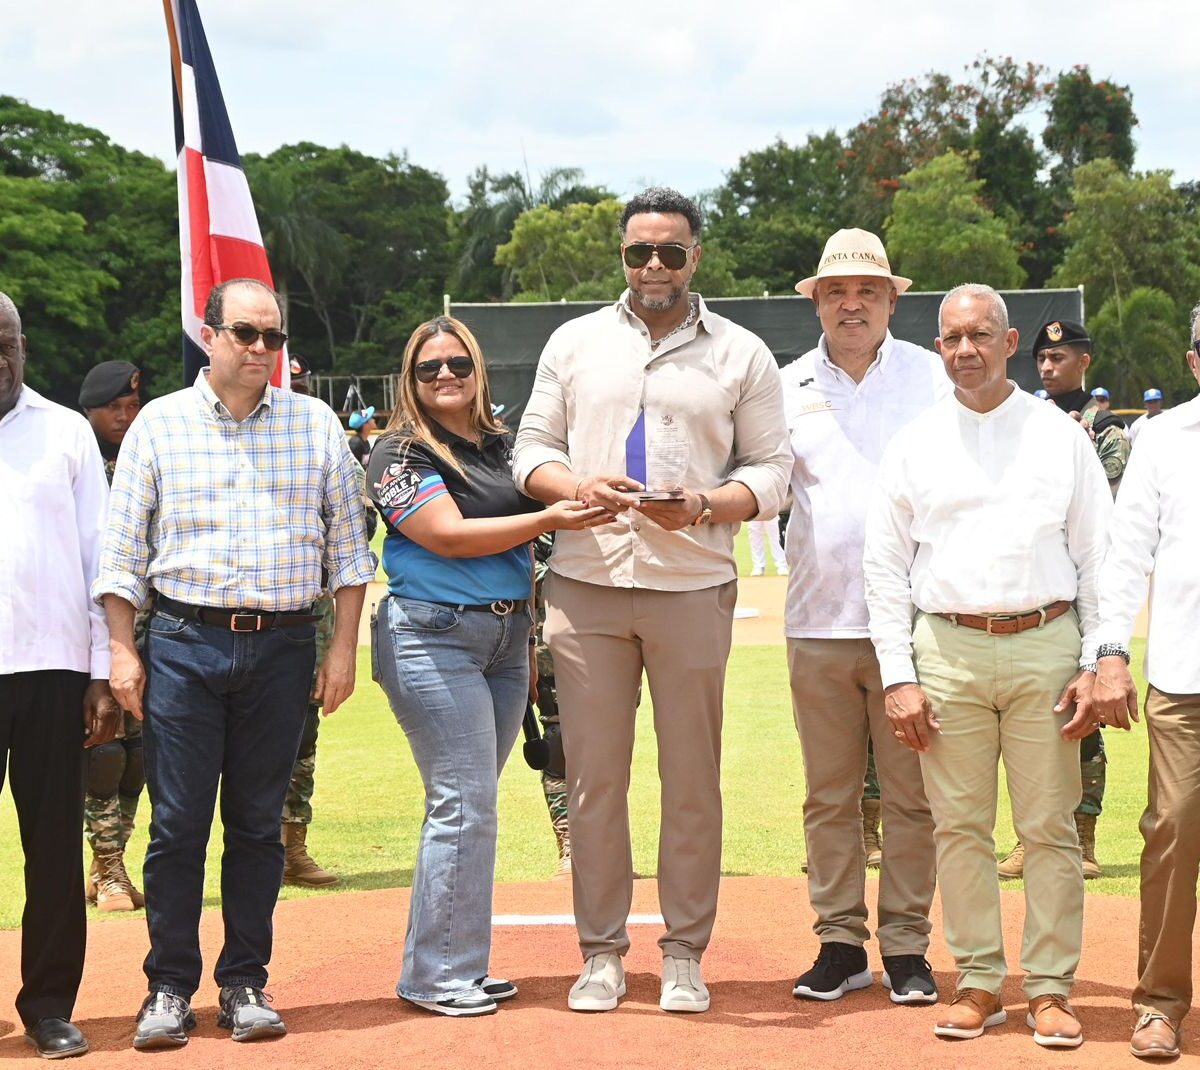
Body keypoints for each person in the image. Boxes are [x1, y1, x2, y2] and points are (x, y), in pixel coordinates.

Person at [514, 186, 791, 1015]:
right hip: (587, 583)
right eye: (641, 252)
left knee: (691, 779)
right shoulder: (575, 342)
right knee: (594, 780)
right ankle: (601, 954)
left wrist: (705, 502)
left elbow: (775, 471)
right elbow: (531, 449)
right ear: (623, 257)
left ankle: (683, 954)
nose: (656, 266)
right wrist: (576, 484)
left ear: (695, 256)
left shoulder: (742, 353)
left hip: (690, 582)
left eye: (671, 251)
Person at [94, 278, 375, 1049]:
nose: (260, 350)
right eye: (246, 334)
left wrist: (342, 649)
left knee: (256, 827)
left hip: (285, 646)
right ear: (210, 335)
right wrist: (123, 650)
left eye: (272, 338)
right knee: (177, 826)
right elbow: (120, 556)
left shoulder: (315, 426)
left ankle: (246, 981)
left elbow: (351, 556)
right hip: (182, 644)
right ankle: (168, 989)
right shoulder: (159, 426)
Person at [863, 284, 1111, 1047]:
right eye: (950, 338)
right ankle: (976, 981)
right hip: (948, 646)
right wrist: (899, 675)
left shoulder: (1058, 435)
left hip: (1046, 641)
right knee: (960, 828)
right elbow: (884, 570)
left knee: (1049, 829)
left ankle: (1048, 988)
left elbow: (1097, 556)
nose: (964, 350)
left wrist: (1100, 658)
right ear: (937, 348)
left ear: (1010, 345)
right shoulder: (913, 442)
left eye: (980, 336)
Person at [367, 315, 607, 1017]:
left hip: (505, 641)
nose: (445, 376)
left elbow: (550, 499)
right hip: (432, 636)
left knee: (470, 805)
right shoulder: (398, 451)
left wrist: (587, 493)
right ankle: (439, 975)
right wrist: (550, 518)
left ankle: (450, 965)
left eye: (458, 364)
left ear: (479, 371)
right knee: (463, 804)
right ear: (408, 380)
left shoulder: (505, 446)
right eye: (428, 367)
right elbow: (445, 534)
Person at [783, 228, 947, 1006]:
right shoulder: (782, 385)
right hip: (817, 621)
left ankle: (908, 946)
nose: (853, 304)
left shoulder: (934, 376)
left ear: (892, 299)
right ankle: (841, 943)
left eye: (869, 291)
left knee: (914, 796)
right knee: (830, 795)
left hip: (913, 624)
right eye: (837, 291)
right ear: (816, 299)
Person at [0, 291, 121, 1059]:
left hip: (51, 668)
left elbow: (98, 558)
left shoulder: (64, 431)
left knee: (52, 849)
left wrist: (103, 671)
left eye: (6, 339)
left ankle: (48, 1006)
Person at [1091, 311, 1200, 1060]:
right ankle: (1159, 1004)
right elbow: (1127, 553)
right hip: (1185, 676)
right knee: (1170, 833)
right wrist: (1110, 653)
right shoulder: (1164, 439)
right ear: (1196, 359)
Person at [995, 320, 1131, 882]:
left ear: (1084, 361)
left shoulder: (1107, 430)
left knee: (1084, 715)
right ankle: (1031, 837)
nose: (1048, 368)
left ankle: (1082, 836)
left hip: (1086, 590)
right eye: (1042, 359)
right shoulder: (1021, 420)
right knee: (1029, 720)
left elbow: (1099, 496)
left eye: (1060, 357)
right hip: (1037, 583)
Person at [79, 361, 149, 912]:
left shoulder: (152, 457)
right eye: (113, 409)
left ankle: (110, 858)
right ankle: (108, 869)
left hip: (152, 628)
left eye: (132, 407)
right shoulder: (79, 464)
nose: (124, 417)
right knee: (103, 751)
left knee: (141, 756)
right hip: (90, 628)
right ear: (91, 412)